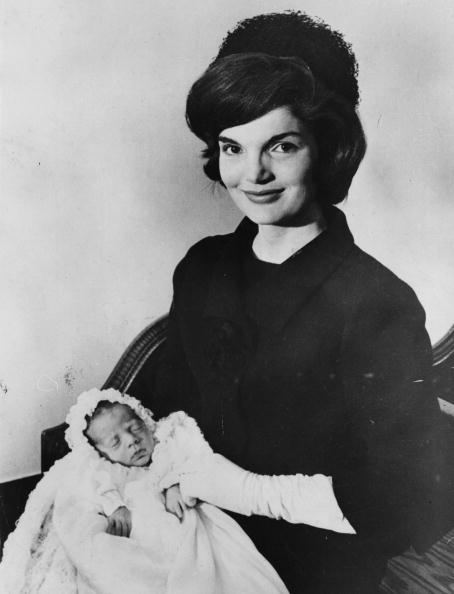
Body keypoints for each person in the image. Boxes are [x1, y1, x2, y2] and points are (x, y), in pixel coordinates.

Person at [129, 11, 449, 593]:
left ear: (327, 148)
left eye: (280, 145)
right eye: (231, 147)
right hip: (190, 523)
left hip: (310, 562)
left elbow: (403, 501)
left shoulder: (377, 303)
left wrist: (234, 489)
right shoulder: (202, 267)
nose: (252, 175)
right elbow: (167, 405)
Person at [0, 388, 290, 594]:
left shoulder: (168, 445)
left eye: (134, 427)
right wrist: (115, 505)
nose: (132, 441)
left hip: (187, 529)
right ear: (101, 453)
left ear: (145, 420)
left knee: (225, 572)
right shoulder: (108, 472)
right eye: (116, 442)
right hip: (145, 539)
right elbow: (88, 493)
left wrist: (178, 482)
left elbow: (197, 460)